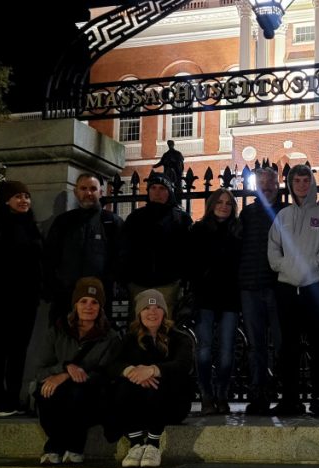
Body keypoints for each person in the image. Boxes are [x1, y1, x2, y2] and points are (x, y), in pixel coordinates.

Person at [267, 164, 319, 416]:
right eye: (296, 181)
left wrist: (314, 266)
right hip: (287, 288)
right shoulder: (283, 216)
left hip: (316, 287)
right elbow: (273, 247)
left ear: (311, 182)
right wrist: (283, 266)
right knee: (289, 347)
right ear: (290, 184)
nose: (301, 185)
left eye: (305, 180)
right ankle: (290, 398)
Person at [33, 277, 118, 464]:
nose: (89, 306)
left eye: (95, 302)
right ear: (75, 305)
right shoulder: (58, 331)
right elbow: (39, 370)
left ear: (101, 307)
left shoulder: (110, 337)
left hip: (91, 394)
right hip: (59, 391)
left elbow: (106, 374)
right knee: (46, 390)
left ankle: (70, 446)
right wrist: (63, 368)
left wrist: (66, 375)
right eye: (83, 301)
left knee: (77, 391)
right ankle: (57, 443)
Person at [106, 290, 194, 468]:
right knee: (124, 385)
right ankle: (136, 443)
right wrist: (132, 372)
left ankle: (153, 445)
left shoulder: (180, 338)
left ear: (164, 312)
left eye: (157, 308)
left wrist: (153, 370)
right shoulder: (129, 339)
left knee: (157, 384)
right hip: (138, 403)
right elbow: (111, 365)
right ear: (139, 313)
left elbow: (183, 365)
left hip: (171, 403)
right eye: (146, 308)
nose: (152, 312)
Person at [0, 181, 43, 417]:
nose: (24, 201)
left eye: (27, 196)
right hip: (4, 296)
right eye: (18, 196)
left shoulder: (30, 225)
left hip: (27, 297)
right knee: (1, 349)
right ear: (6, 200)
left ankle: (12, 397)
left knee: (19, 350)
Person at [186, 188, 241, 416]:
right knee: (205, 350)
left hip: (230, 298)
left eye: (228, 203)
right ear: (211, 204)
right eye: (220, 202)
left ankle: (222, 393)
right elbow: (190, 264)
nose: (224, 206)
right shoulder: (198, 230)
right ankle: (206, 394)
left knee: (227, 351)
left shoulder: (238, 230)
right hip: (205, 297)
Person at [43, 173, 124, 323]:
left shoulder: (112, 222)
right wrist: (52, 288)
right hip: (65, 298)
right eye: (83, 188)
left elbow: (121, 259)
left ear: (101, 192)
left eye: (93, 189)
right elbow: (49, 257)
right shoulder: (63, 222)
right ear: (76, 192)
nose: (88, 193)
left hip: (99, 299)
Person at [238, 167, 286, 415]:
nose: (266, 186)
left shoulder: (287, 212)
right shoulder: (247, 213)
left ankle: (283, 393)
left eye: (271, 182)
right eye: (262, 183)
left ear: (278, 185)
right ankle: (259, 394)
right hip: (250, 286)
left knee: (281, 344)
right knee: (256, 345)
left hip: (278, 287)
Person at [122, 173, 193, 315]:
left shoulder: (181, 219)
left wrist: (182, 278)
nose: (157, 192)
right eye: (153, 188)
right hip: (138, 282)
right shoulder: (135, 217)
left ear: (169, 192)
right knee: (138, 324)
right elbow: (125, 249)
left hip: (168, 283)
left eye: (162, 188)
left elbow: (189, 251)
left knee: (164, 323)